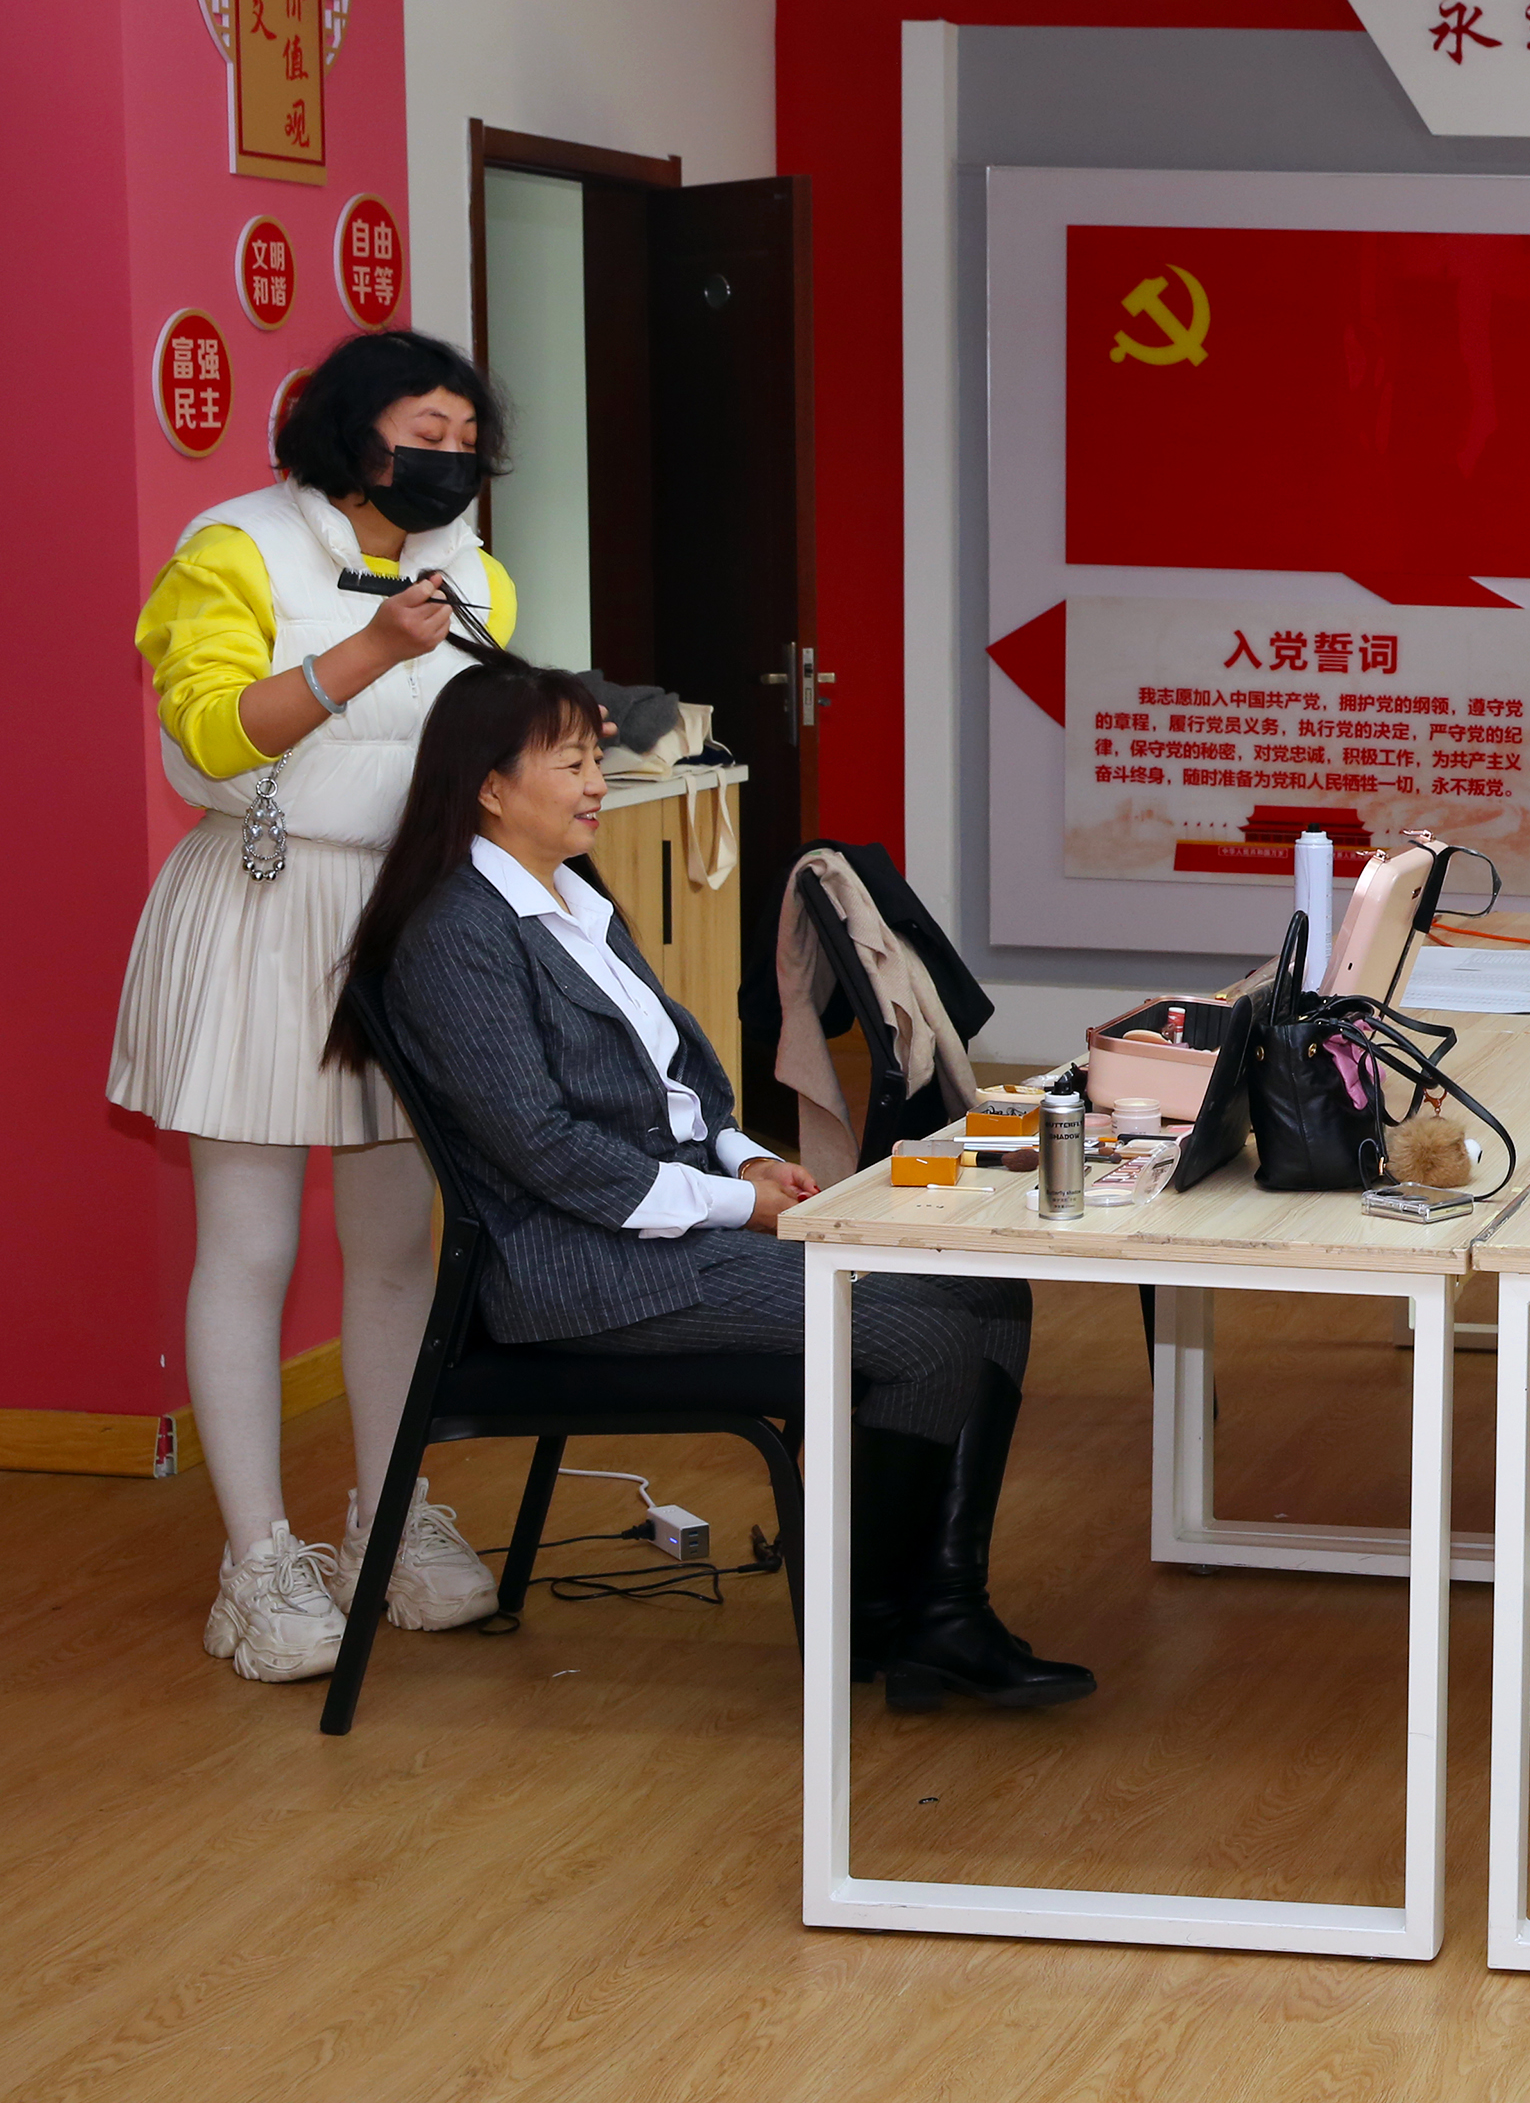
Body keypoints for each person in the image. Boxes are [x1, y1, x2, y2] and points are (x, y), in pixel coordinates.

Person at [337, 657, 1093, 1711]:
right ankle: (886, 1619)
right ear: (490, 785)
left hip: (665, 1228)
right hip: (587, 1271)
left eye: (596, 759)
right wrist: (740, 1204)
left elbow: (676, 1081)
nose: (597, 783)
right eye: (572, 763)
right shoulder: (458, 934)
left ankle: (935, 1609)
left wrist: (742, 1158)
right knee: (927, 1336)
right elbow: (542, 1149)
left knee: (989, 1294)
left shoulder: (573, 896)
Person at [113, 329, 518, 1683]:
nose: (448, 459)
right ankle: (259, 1560)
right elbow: (212, 734)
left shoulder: (475, 573)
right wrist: (367, 648)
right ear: (351, 429)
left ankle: (390, 1521)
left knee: (398, 1245)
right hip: (262, 904)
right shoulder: (231, 548)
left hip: (407, 920)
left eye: (467, 440)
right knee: (251, 1244)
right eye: (425, 431)